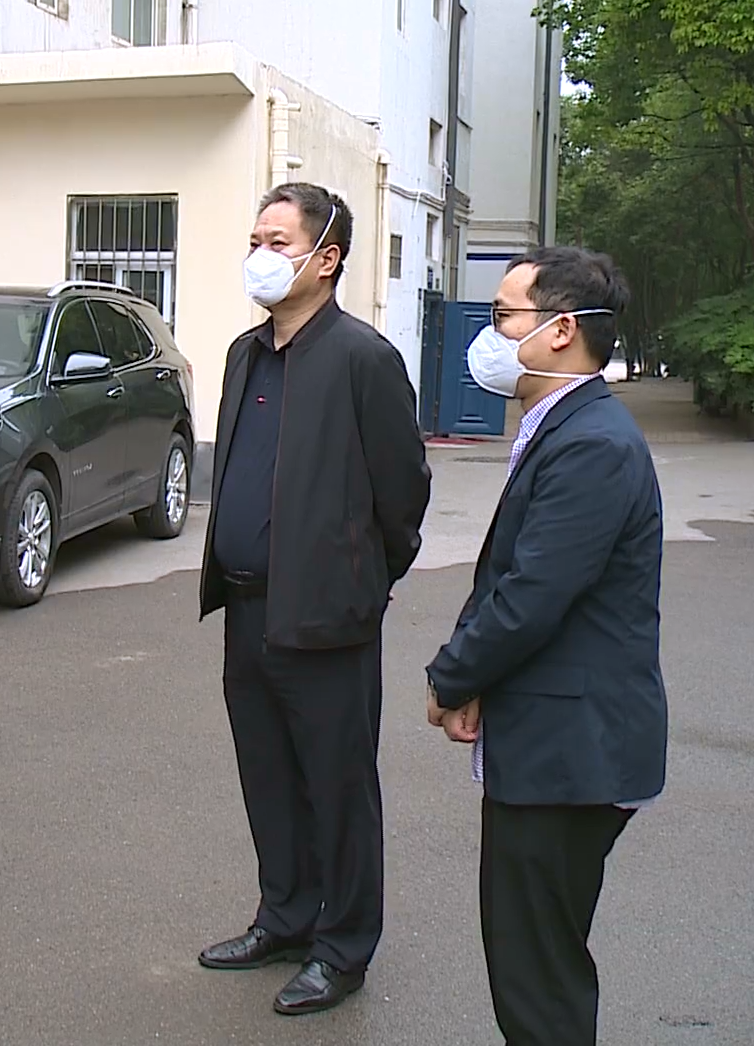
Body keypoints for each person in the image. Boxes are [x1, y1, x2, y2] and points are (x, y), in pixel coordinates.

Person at [195, 183, 431, 1015]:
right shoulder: (245, 354)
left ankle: (343, 947)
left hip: (328, 619)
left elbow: (403, 496)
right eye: (254, 240)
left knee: (338, 788)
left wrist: (359, 582)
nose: (259, 256)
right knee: (268, 777)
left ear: (326, 258)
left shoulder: (364, 359)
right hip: (248, 611)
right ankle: (286, 917)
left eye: (277, 242)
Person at [426, 247, 666, 1046]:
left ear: (560, 330)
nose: (489, 334)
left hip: (572, 757)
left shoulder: (592, 443)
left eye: (503, 316)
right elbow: (513, 574)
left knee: (539, 981)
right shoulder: (564, 426)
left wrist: (451, 676)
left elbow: (533, 595)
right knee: (532, 960)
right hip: (555, 744)